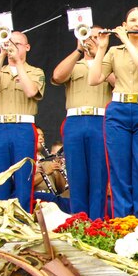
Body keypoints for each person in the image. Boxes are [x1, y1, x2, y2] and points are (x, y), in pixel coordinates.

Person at [89, 7, 138, 221]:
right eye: (133, 20)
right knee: (119, 170)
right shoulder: (114, 52)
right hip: (118, 110)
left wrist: (126, 41)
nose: (137, 24)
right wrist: (102, 48)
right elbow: (94, 79)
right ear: (125, 24)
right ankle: (121, 223)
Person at [0, 30, 44, 210]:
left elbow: (31, 91)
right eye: (8, 43)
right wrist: (1, 55)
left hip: (23, 127)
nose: (11, 47)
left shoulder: (35, 71)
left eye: (16, 44)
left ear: (27, 47)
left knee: (24, 177)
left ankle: (23, 219)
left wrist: (18, 63)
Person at [51, 33, 109, 219]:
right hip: (75, 120)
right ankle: (78, 222)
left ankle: (96, 223)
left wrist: (99, 53)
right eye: (88, 36)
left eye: (97, 37)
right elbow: (57, 76)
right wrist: (78, 50)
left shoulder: (109, 63)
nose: (91, 40)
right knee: (76, 176)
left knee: (98, 177)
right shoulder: (74, 64)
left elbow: (120, 83)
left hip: (100, 120)